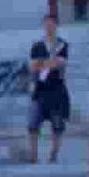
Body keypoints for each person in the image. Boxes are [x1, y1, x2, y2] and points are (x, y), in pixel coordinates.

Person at [26, 15, 71, 165]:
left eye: (51, 24)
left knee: (57, 124)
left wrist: (43, 63)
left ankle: (54, 154)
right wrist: (48, 63)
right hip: (40, 89)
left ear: (56, 25)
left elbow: (59, 64)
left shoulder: (62, 45)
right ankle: (33, 155)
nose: (49, 27)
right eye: (46, 24)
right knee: (33, 124)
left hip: (57, 88)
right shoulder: (37, 46)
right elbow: (33, 67)